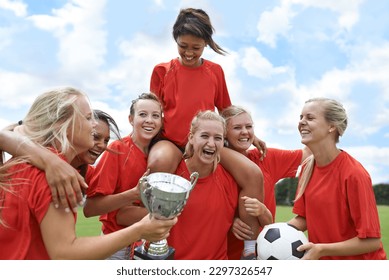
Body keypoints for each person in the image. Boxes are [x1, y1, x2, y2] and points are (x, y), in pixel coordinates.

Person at [0, 87, 176, 259]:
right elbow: (65, 253)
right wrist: (139, 230)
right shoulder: (56, 176)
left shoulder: (26, 162)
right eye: (88, 117)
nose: (94, 124)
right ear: (63, 124)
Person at [148, 7, 265, 258]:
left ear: (206, 45)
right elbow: (154, 114)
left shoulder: (215, 71)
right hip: (172, 141)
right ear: (175, 41)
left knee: (253, 174)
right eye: (183, 46)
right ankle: (153, 242)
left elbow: (225, 109)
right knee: (157, 162)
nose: (189, 53)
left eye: (196, 48)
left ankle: (250, 250)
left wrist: (250, 135)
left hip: (208, 140)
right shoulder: (162, 70)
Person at [288, 97, 386, 260]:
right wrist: (270, 233)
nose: (302, 122)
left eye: (310, 118)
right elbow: (304, 218)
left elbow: (372, 241)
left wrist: (322, 250)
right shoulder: (307, 168)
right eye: (301, 117)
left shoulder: (354, 174)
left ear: (331, 126)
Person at [220, 105, 312, 259]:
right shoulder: (215, 166)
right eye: (237, 127)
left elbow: (310, 154)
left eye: (249, 126)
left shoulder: (265, 157)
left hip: (267, 254)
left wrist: (307, 124)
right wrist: (229, 221)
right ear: (223, 133)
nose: (245, 131)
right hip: (228, 256)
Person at [83, 92, 163, 260]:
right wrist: (133, 194)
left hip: (147, 245)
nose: (149, 120)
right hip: (116, 247)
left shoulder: (160, 153)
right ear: (130, 119)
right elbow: (90, 208)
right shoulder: (117, 150)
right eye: (143, 114)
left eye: (155, 115)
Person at [0, 109, 121, 213]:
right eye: (95, 136)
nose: (102, 145)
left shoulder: (86, 171)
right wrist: (52, 161)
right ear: (74, 131)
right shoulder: (39, 164)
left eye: (106, 140)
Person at [168, 110, 239, 259]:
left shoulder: (231, 181)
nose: (211, 143)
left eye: (218, 138)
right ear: (191, 138)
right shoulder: (171, 175)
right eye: (205, 136)